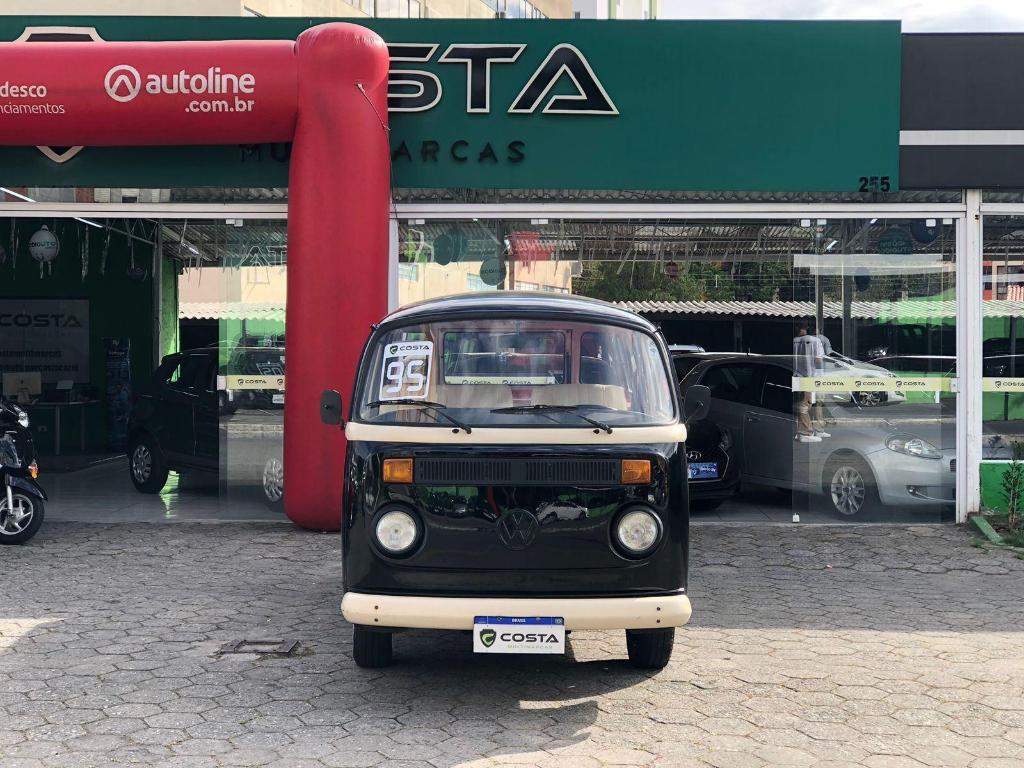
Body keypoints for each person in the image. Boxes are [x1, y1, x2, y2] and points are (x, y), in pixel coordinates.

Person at [793, 320, 830, 442]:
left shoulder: (794, 341)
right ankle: (806, 432)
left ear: (796, 327)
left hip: (797, 376)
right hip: (810, 376)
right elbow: (819, 360)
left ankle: (803, 431)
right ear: (807, 327)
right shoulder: (815, 341)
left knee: (800, 403)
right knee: (806, 404)